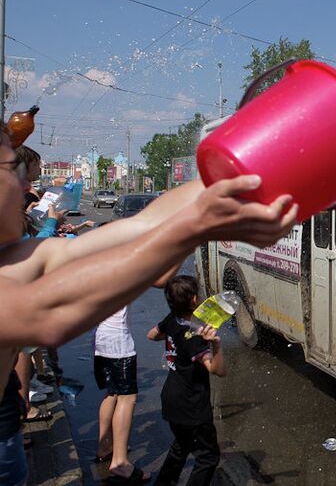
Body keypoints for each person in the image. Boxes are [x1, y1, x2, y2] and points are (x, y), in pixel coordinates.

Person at [0, 123, 298, 484]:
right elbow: (48, 316)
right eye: (12, 168)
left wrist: (241, 174)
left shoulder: (19, 255)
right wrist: (197, 226)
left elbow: (146, 224)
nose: (29, 190)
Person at [147, 276, 224, 486]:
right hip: (192, 405)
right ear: (195, 300)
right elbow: (217, 370)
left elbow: (152, 335)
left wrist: (176, 339)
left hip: (171, 399)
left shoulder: (172, 319)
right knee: (208, 457)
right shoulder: (195, 338)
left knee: (181, 445)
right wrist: (215, 345)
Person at [93, 305, 147, 483]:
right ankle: (120, 462)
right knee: (127, 397)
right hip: (118, 341)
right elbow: (159, 282)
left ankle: (105, 446)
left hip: (101, 338)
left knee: (112, 393)